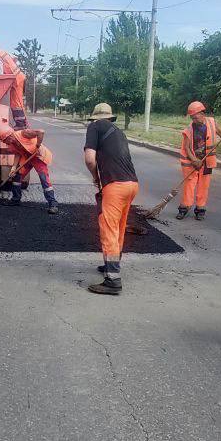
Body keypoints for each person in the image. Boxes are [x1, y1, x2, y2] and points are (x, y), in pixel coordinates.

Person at [83, 103, 139, 296]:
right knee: (119, 226)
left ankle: (112, 280)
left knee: (108, 228)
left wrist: (96, 178)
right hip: (132, 185)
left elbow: (90, 159)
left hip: (115, 186)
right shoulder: (119, 132)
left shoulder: (95, 126)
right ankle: (112, 264)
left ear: (96, 117)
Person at [177, 101, 221, 221]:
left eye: (195, 117)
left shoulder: (212, 123)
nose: (194, 120)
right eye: (192, 118)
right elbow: (186, 147)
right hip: (192, 163)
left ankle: (200, 210)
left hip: (207, 162)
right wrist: (194, 160)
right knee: (189, 186)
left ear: (202, 113)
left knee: (203, 186)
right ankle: (184, 209)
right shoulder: (189, 129)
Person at [0, 123, 58, 213]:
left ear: (9, 136)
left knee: (44, 179)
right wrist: (14, 168)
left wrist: (38, 145)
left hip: (37, 157)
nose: (5, 143)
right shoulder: (12, 143)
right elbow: (17, 153)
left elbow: (41, 132)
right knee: (17, 177)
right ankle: (15, 199)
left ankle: (53, 204)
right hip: (27, 158)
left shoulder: (24, 133)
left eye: (5, 140)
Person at [0, 41, 29, 128]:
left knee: (16, 103)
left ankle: (21, 124)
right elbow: (15, 58)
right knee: (16, 102)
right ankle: (22, 123)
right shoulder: (4, 53)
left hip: (16, 80)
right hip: (18, 78)